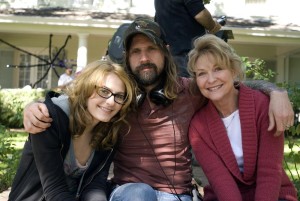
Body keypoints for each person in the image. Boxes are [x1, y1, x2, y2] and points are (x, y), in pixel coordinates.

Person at [22, 18, 294, 201]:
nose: (144, 58)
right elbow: (77, 98)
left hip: (177, 194)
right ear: (127, 58)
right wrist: (33, 107)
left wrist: (275, 92)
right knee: (138, 195)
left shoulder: (192, 89)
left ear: (165, 51)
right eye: (135, 51)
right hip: (131, 192)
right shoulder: (118, 98)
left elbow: (228, 86)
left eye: (151, 49)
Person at [188, 35, 297, 201]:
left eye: (218, 69)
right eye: (202, 73)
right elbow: (220, 181)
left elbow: (269, 172)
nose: (211, 79)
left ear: (233, 70)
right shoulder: (198, 126)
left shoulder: (263, 106)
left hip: (272, 195)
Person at [9, 60, 135, 201]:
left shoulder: (111, 132)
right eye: (104, 91)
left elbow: (95, 184)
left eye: (119, 96)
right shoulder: (50, 118)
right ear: (86, 87)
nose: (111, 102)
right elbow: (54, 189)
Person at [154, 0, 221, 77]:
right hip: (189, 53)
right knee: (193, 85)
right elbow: (200, 14)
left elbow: (158, 19)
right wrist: (213, 27)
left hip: (172, 53)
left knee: (181, 86)